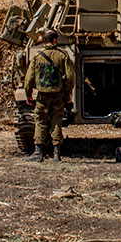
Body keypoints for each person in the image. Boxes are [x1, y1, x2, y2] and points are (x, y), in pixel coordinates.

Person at [24, 29, 74, 162]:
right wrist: (69, 92)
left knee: (40, 122)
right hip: (58, 95)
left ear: (44, 41)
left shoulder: (37, 56)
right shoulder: (62, 55)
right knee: (56, 122)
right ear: (55, 40)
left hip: (42, 95)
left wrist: (28, 94)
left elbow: (29, 78)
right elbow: (69, 77)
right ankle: (57, 154)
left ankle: (38, 153)